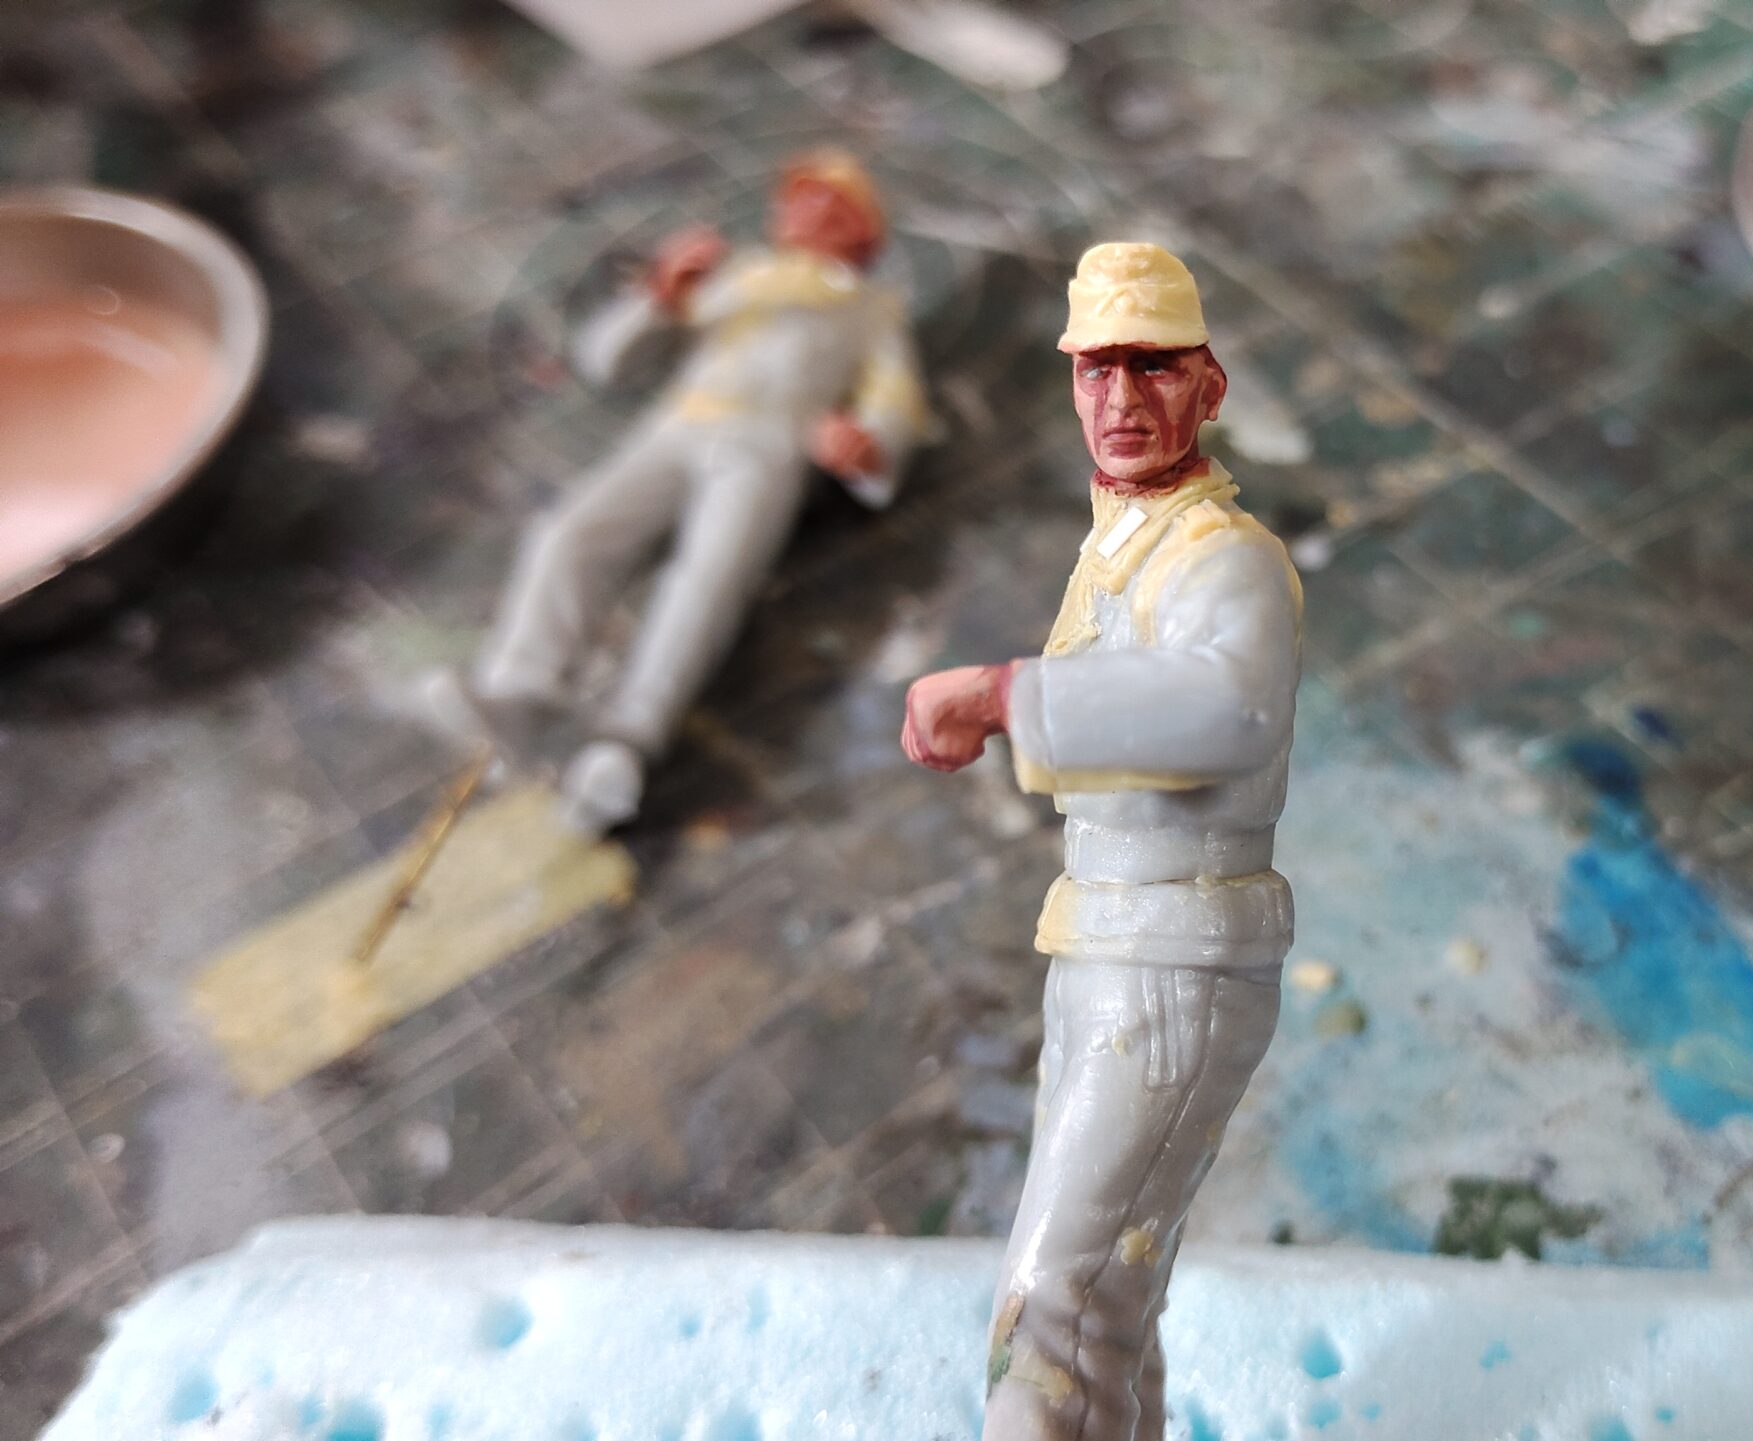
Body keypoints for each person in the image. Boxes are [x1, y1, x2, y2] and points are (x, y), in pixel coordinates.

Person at [902, 242, 1303, 1441]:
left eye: (1153, 367)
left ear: (1208, 386)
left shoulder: (1226, 559)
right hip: (1105, 940)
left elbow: (1223, 712)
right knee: (1104, 1304)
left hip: (1173, 952)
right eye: (1096, 370)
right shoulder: (1124, 544)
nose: (1121, 399)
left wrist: (1003, 693)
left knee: (1051, 1320)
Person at [432, 149, 932, 832]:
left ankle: (625, 740)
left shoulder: (870, 311)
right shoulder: (736, 276)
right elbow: (603, 358)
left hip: (764, 451)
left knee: (705, 583)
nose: (805, 212)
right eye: (799, 197)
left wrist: (866, 444)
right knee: (571, 531)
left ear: (861, 231)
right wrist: (655, 298)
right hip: (676, 428)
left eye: (830, 205)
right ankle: (519, 690)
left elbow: (895, 400)